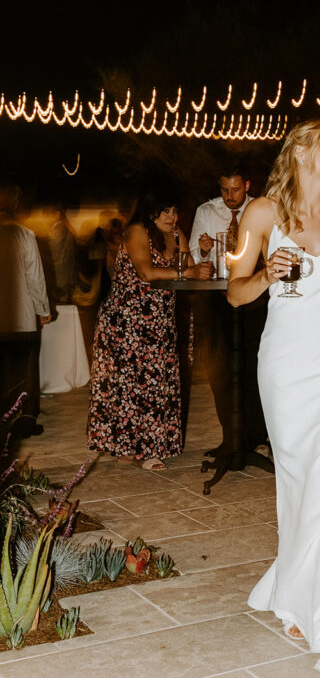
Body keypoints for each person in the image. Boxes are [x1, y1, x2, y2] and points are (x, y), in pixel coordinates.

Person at [228, 119, 320, 678]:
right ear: (300, 151)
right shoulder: (261, 215)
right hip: (285, 367)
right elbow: (235, 291)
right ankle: (292, 596)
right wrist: (267, 271)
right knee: (295, 485)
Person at [87, 189, 212, 470]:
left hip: (159, 320)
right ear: (150, 211)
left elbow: (188, 266)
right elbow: (146, 272)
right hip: (126, 321)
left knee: (156, 382)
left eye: (175, 211)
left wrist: (199, 260)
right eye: (166, 211)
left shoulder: (177, 233)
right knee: (130, 385)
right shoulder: (137, 232)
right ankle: (140, 449)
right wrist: (189, 272)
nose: (172, 217)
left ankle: (137, 446)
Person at [189, 161, 268, 459]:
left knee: (253, 367)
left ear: (246, 185)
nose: (229, 195)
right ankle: (230, 438)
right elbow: (196, 255)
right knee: (220, 370)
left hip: (253, 298)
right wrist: (205, 251)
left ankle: (257, 437)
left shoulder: (261, 209)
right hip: (216, 297)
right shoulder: (206, 212)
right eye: (224, 189)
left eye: (235, 189)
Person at [0, 177, 51, 436]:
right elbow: (35, 277)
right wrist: (43, 310)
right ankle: (25, 419)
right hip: (20, 317)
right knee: (26, 370)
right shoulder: (24, 234)